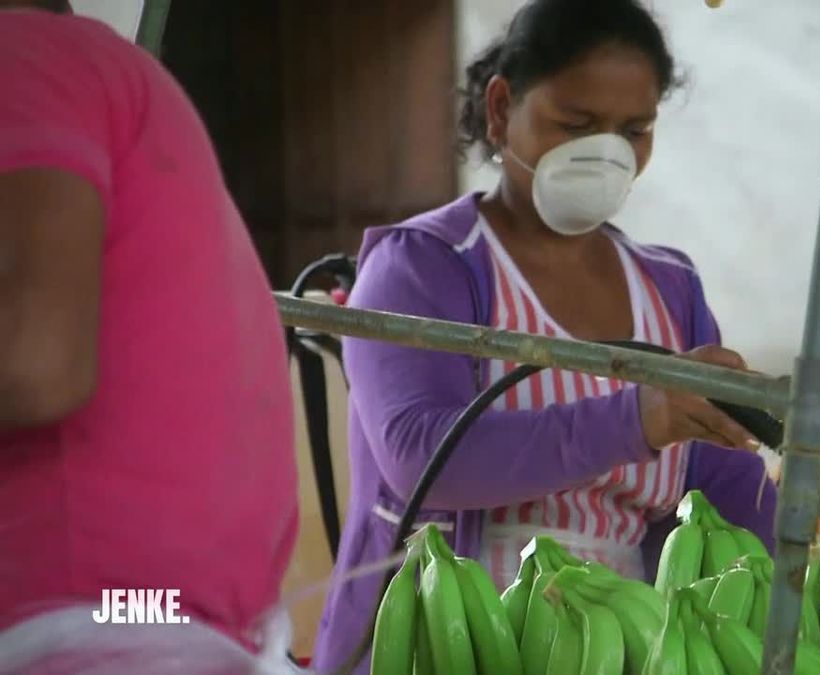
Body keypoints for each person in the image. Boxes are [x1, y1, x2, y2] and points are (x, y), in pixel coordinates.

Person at [312, 0, 778, 670]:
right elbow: (420, 457)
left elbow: (721, 485)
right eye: (577, 124)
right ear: (502, 110)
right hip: (444, 645)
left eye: (634, 130)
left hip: (617, 647)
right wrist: (636, 417)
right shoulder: (425, 267)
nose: (606, 153)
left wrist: (797, 515)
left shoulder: (669, 288)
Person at [0, 2, 298, 672]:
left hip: (94, 621)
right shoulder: (113, 77)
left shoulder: (25, 54)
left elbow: (35, 360)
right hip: (152, 615)